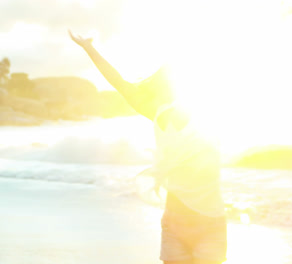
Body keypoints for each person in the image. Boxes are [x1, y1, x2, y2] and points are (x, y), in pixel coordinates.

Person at [69, 30, 227, 264]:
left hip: (206, 224)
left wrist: (282, 14)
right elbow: (117, 81)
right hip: (177, 223)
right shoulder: (161, 111)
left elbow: (236, 55)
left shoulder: (205, 110)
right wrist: (89, 49)